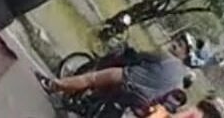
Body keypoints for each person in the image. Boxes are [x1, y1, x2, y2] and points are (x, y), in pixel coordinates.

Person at [36, 36, 195, 115]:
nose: (175, 44)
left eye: (180, 45)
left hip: (126, 80)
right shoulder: (180, 84)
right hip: (142, 104)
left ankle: (52, 85)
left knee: (90, 79)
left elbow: (139, 56)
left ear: (185, 54)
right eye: (177, 40)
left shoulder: (165, 57)